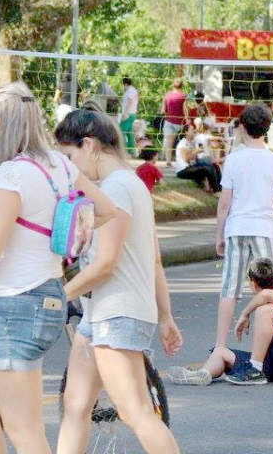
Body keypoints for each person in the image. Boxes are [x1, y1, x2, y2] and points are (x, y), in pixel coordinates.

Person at [0, 82, 116, 454]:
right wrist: (61, 235)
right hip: (42, 297)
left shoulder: (12, 174)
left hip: (16, 306)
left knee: (25, 431)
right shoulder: (58, 164)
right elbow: (106, 209)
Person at [54, 107, 183, 454]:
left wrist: (58, 294)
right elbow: (153, 258)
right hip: (100, 315)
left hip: (117, 313)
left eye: (70, 156)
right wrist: (165, 316)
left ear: (89, 144)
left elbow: (106, 263)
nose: (70, 168)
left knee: (135, 411)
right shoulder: (130, 185)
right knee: (76, 404)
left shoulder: (118, 188)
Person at [210, 104, 273, 351]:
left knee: (229, 287)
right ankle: (266, 346)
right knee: (268, 288)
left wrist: (220, 234)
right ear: (267, 129)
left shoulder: (233, 160)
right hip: (264, 228)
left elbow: (224, 202)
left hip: (237, 227)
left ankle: (221, 344)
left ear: (242, 128)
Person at [165, 258, 273, 386]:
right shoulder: (269, 297)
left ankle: (254, 370)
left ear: (252, 283)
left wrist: (245, 313)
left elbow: (266, 294)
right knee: (220, 352)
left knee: (265, 309)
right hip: (272, 365)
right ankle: (203, 374)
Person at [175, 126, 221, 193]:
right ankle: (216, 191)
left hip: (192, 167)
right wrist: (196, 151)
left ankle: (220, 189)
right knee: (208, 167)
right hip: (183, 170)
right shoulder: (183, 143)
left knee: (215, 166)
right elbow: (185, 158)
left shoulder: (192, 142)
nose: (194, 131)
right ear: (186, 132)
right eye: (192, 130)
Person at [161, 79, 187, 167]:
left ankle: (168, 161)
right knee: (181, 142)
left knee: (169, 142)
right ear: (182, 85)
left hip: (169, 121)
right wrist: (187, 120)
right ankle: (181, 160)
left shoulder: (167, 95)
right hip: (180, 123)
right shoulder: (183, 96)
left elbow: (163, 110)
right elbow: (185, 110)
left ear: (173, 85)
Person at [120, 77, 140, 156]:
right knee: (129, 133)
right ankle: (131, 151)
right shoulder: (133, 90)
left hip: (128, 114)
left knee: (121, 132)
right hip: (132, 114)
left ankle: (123, 150)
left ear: (125, 84)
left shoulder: (130, 91)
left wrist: (125, 113)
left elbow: (130, 101)